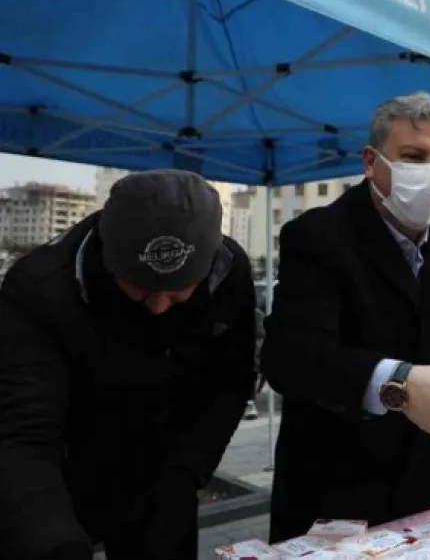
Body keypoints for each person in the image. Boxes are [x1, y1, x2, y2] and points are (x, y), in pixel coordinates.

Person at [261, 92, 430, 541]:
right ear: (370, 161)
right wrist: (399, 384)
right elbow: (292, 356)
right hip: (333, 481)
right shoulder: (317, 235)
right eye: (413, 157)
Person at [0, 170, 257, 560]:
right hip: (63, 474)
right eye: (141, 288)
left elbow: (229, 382)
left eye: (176, 294)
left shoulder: (227, 271)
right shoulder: (39, 289)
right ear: (107, 253)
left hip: (164, 471)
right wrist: (56, 542)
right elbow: (23, 435)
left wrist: (186, 472)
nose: (157, 308)